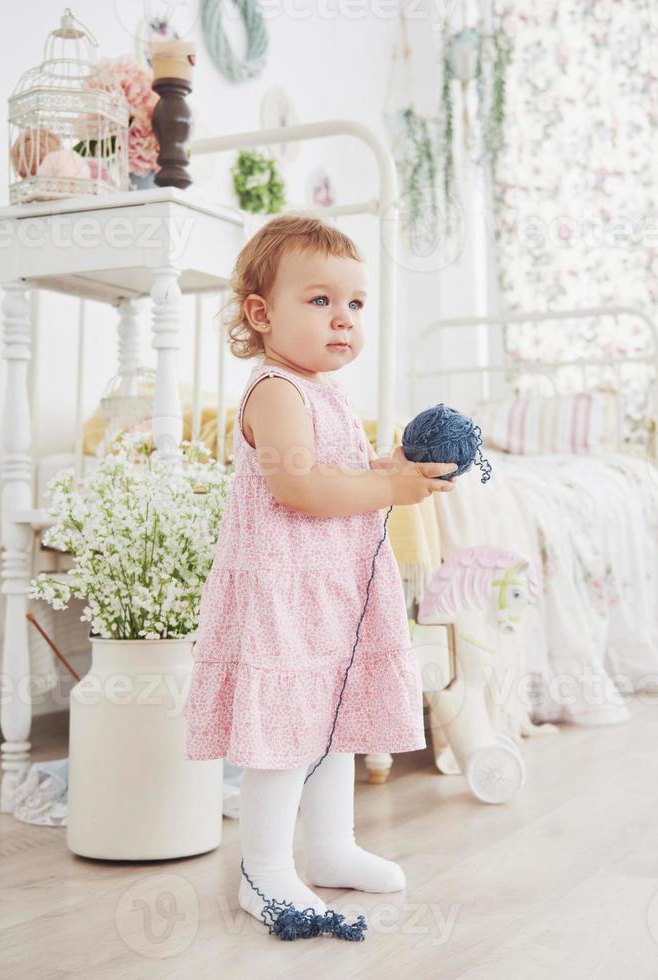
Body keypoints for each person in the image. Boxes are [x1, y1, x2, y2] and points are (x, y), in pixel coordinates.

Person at [185, 213, 458, 928]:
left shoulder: (328, 391)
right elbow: (298, 486)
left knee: (334, 720)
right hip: (285, 592)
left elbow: (338, 474)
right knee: (284, 733)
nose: (342, 320)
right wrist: (387, 491)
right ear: (260, 314)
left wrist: (387, 471)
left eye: (355, 304)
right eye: (319, 301)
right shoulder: (276, 390)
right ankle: (265, 870)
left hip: (333, 590)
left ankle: (332, 846)